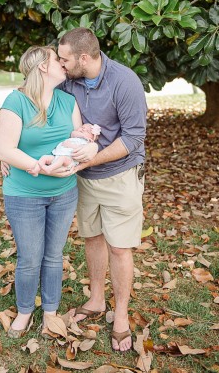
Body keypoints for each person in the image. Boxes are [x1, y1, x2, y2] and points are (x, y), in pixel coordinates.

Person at [0, 46, 97, 338]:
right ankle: (25, 310)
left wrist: (78, 152)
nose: (64, 64)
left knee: (53, 255)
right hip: (24, 194)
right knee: (29, 257)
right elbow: (4, 149)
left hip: (64, 192)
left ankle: (50, 311)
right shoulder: (16, 101)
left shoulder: (68, 101)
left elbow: (76, 142)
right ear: (42, 67)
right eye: (57, 59)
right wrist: (38, 166)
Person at [57, 27, 147, 352]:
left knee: (120, 248)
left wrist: (93, 158)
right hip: (85, 177)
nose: (60, 64)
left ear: (84, 57)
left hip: (120, 174)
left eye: (65, 59)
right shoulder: (69, 81)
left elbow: (134, 136)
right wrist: (7, 149)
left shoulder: (125, 82)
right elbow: (32, 97)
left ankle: (120, 316)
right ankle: (96, 300)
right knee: (92, 237)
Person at [32, 123, 101, 176]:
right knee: (45, 157)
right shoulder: (77, 136)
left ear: (92, 139)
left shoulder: (86, 144)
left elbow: (79, 151)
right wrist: (83, 135)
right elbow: (73, 133)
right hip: (57, 157)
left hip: (69, 161)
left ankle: (49, 169)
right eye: (82, 127)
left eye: (88, 131)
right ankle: (36, 169)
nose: (83, 129)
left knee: (62, 158)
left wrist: (71, 145)